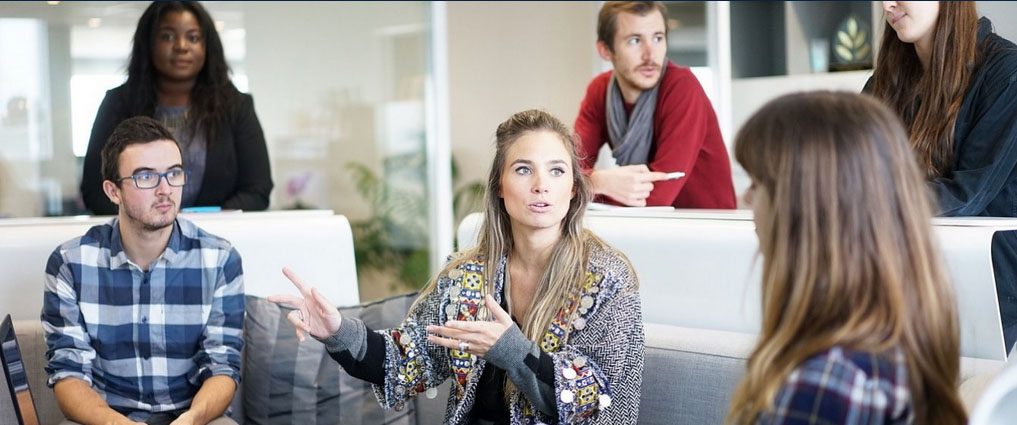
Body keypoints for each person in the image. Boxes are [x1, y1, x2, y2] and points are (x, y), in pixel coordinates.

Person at [270, 109, 644, 424]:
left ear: (574, 189)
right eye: (524, 169)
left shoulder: (608, 278)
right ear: (499, 185)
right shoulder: (467, 273)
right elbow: (407, 360)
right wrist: (337, 331)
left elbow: (594, 401)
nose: (541, 185)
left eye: (557, 171)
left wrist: (512, 351)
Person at [726, 92, 966, 425]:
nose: (746, 199)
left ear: (804, 208)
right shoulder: (892, 347)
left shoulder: (826, 384)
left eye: (757, 183)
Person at [43, 117, 244, 425]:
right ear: (113, 191)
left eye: (174, 173)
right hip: (106, 420)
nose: (165, 190)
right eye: (146, 176)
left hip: (194, 418)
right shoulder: (70, 262)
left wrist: (192, 419)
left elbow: (223, 367)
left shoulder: (219, 259)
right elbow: (68, 373)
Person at [865, 1, 1017, 353]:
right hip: (908, 286)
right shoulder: (885, 82)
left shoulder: (1006, 72)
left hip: (990, 297)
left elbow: (967, 195)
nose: (888, 5)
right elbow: (852, 173)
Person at [81, 1, 273, 215]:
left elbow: (257, 190)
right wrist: (153, 222)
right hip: (138, 242)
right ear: (148, 43)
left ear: (207, 46)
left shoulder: (236, 106)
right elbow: (95, 191)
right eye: (168, 36)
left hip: (218, 238)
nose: (182, 46)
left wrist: (200, 224)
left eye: (193, 38)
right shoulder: (118, 103)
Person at [574, 1, 735, 209]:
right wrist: (598, 182)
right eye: (634, 41)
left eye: (658, 38)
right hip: (647, 226)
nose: (650, 55)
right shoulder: (600, 91)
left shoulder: (682, 87)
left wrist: (585, 186)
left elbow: (657, 196)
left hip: (707, 228)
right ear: (605, 50)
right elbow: (568, 172)